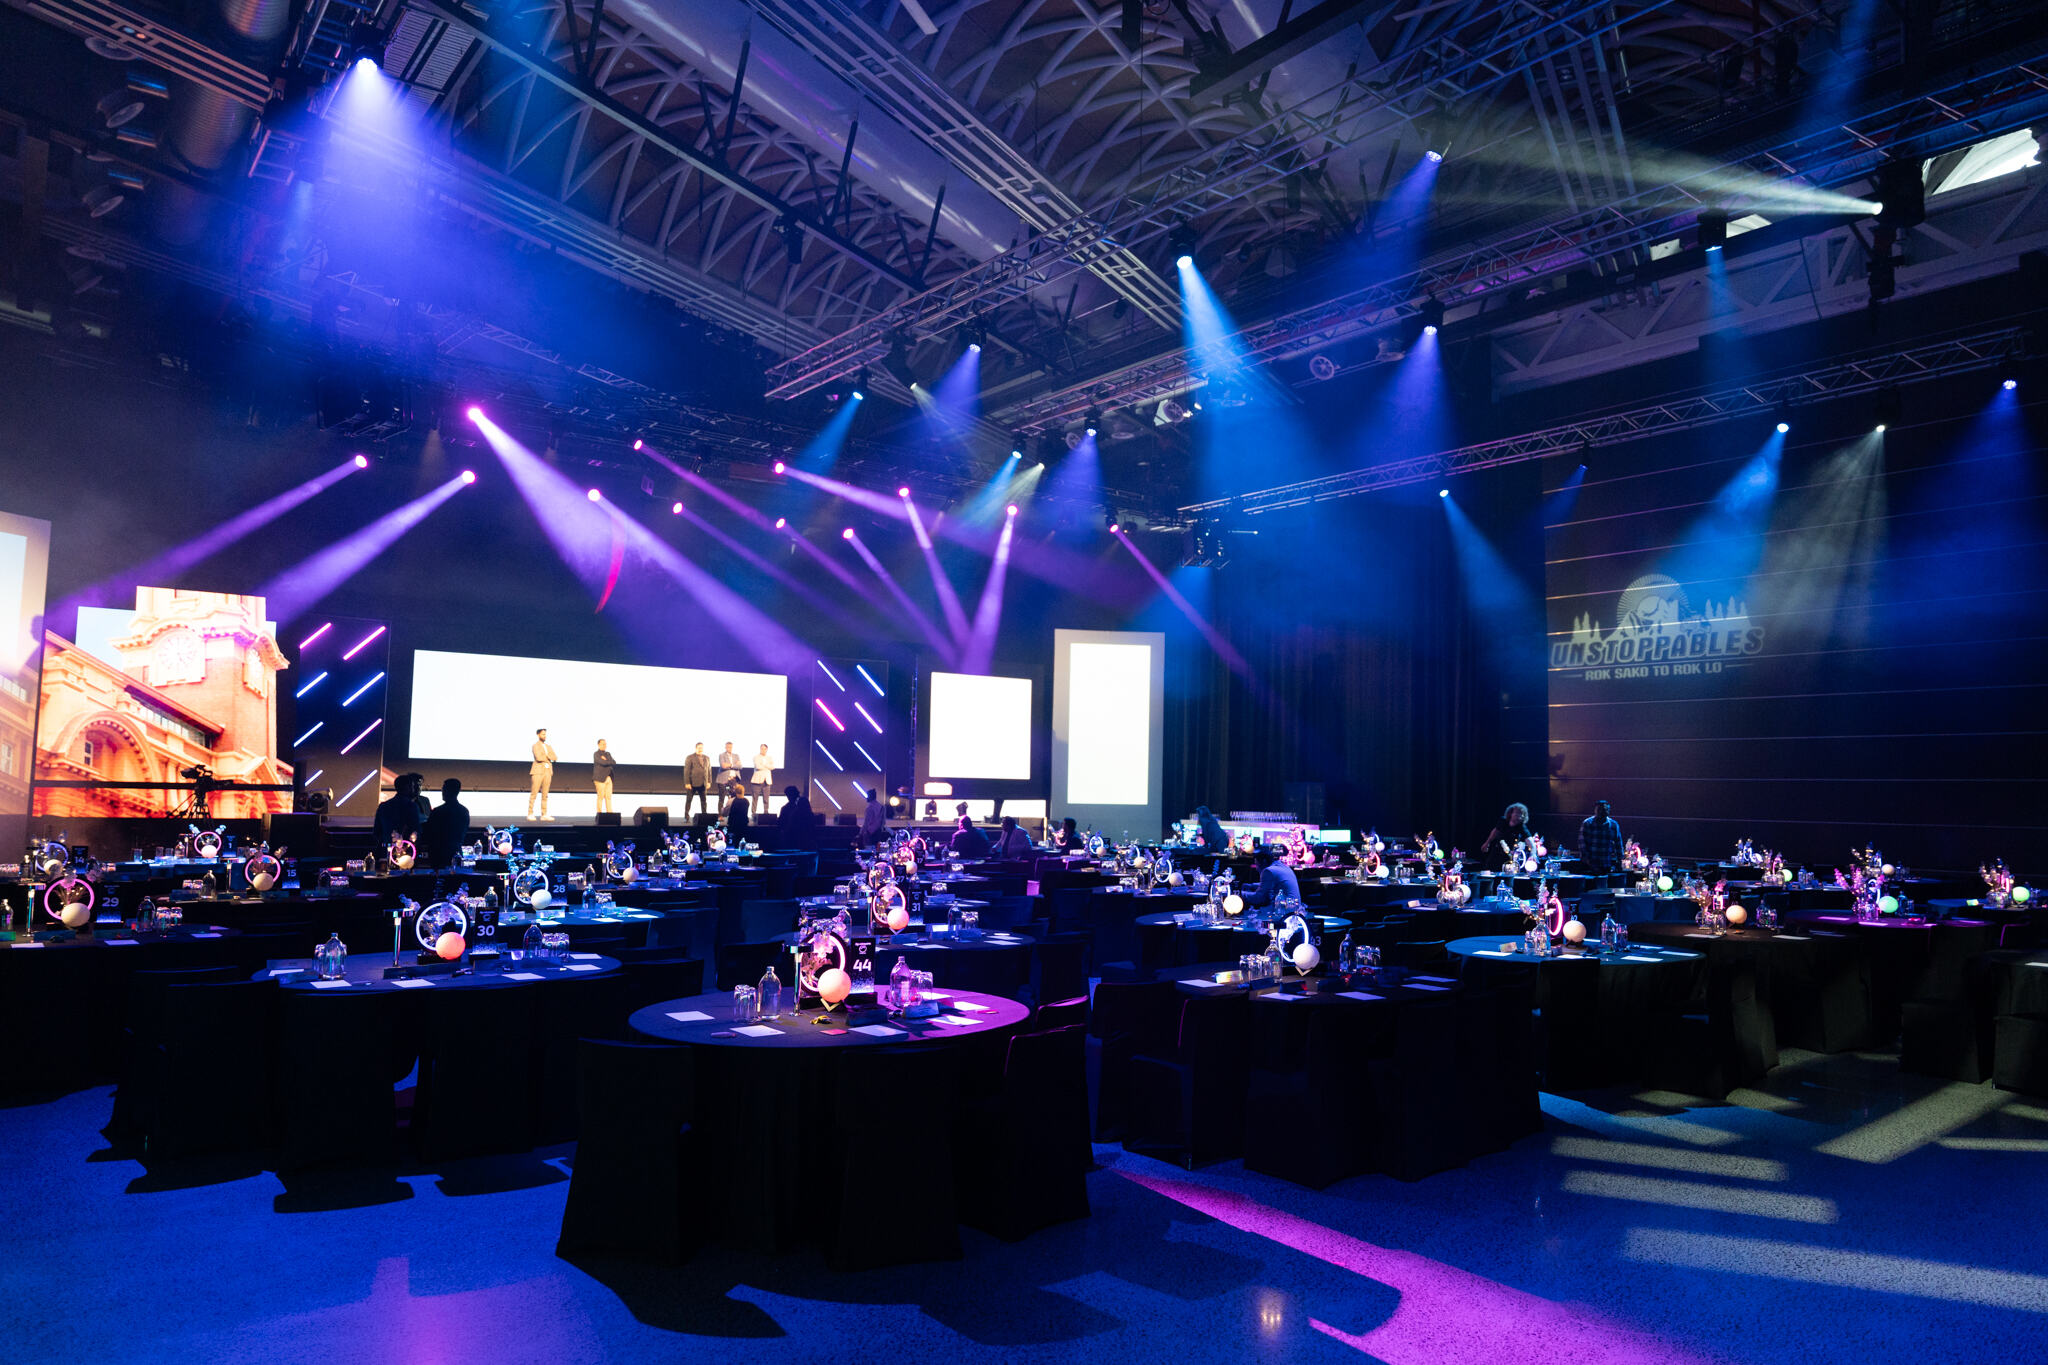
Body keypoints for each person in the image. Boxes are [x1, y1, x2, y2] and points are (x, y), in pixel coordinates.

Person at [422, 778, 471, 870]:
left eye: (443, 789)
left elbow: (429, 832)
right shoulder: (464, 811)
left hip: (438, 854)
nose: (442, 792)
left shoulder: (438, 811)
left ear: (447, 791)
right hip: (456, 852)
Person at [373, 772, 424, 847]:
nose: (414, 789)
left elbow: (377, 832)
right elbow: (416, 829)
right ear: (407, 787)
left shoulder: (383, 806)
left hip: (388, 848)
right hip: (408, 848)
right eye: (412, 786)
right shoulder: (411, 806)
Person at [1247, 843, 1302, 909]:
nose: (1256, 868)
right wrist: (1251, 885)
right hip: (1295, 908)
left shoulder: (1269, 871)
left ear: (1264, 862)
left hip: (1285, 910)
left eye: (1257, 864)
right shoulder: (1282, 866)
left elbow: (1258, 898)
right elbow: (1268, 885)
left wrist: (1239, 894)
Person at [1579, 798, 1623, 875]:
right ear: (1595, 810)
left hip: (1606, 864)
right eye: (1599, 809)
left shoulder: (1613, 824)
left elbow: (1618, 844)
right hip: (1589, 865)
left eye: (1605, 810)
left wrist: (1619, 861)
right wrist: (1589, 862)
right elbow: (1582, 845)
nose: (1602, 812)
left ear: (1608, 811)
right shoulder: (1588, 823)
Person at [528, 727, 556, 820]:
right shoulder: (535, 745)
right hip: (537, 771)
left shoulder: (548, 746)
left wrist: (548, 756)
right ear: (538, 735)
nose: (545, 736)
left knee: (545, 794)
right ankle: (530, 813)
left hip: (547, 771)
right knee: (534, 792)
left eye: (545, 734)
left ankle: (544, 814)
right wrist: (548, 756)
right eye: (543, 734)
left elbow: (555, 757)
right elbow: (539, 758)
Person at [682, 743, 711, 821]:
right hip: (692, 783)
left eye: (701, 747)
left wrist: (709, 781)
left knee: (704, 801)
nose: (700, 749)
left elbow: (709, 770)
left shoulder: (707, 758)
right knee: (689, 800)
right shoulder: (690, 757)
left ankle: (704, 816)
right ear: (696, 748)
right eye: (699, 747)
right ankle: (686, 816)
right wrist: (687, 782)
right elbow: (686, 770)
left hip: (703, 783)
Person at [592, 739, 616, 815]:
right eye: (603, 744)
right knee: (601, 797)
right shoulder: (596, 754)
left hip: (609, 777)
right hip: (600, 778)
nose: (604, 745)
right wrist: (608, 761)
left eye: (605, 744)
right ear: (598, 745)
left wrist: (607, 760)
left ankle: (610, 814)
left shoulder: (608, 754)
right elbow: (602, 763)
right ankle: (599, 814)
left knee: (608, 797)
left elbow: (614, 762)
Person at [717, 742, 742, 813]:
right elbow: (723, 766)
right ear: (725, 747)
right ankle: (720, 815)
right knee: (722, 797)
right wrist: (734, 765)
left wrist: (730, 765)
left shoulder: (736, 756)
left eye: (730, 747)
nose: (729, 748)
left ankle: (732, 814)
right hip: (724, 781)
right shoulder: (722, 755)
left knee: (734, 798)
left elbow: (740, 766)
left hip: (734, 781)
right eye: (728, 747)